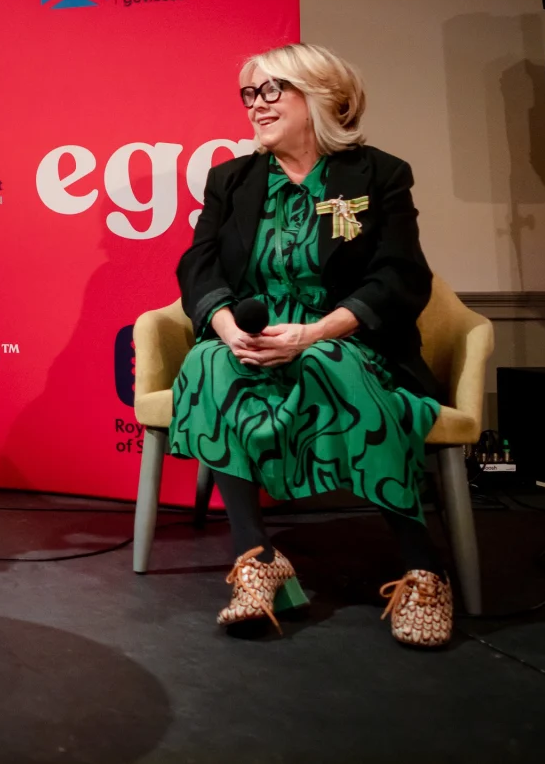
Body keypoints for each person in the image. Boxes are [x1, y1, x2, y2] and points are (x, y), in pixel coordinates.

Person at [171, 43, 453, 647]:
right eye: (250, 93)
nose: (256, 105)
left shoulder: (379, 174)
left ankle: (425, 569)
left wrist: (316, 332)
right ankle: (257, 558)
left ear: (320, 96)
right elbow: (199, 265)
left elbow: (400, 276)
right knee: (210, 362)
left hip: (347, 337)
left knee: (328, 364)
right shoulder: (232, 180)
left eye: (272, 90)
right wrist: (226, 327)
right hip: (257, 336)